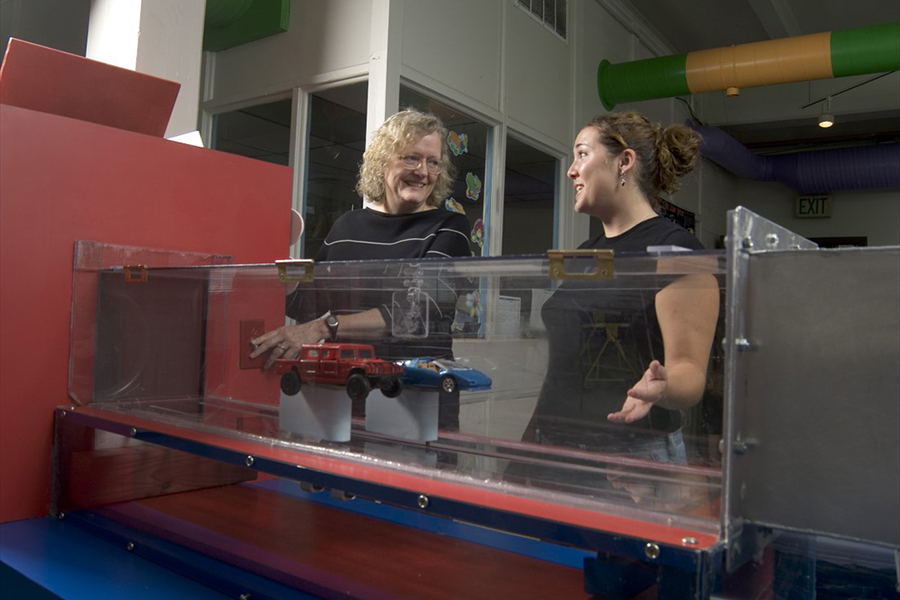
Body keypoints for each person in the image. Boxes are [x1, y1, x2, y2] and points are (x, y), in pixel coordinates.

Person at [248, 108, 472, 425]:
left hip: (417, 400)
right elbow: (306, 305)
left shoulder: (450, 227)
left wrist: (325, 327)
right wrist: (277, 261)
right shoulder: (346, 226)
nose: (423, 171)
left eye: (432, 162)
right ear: (383, 161)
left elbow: (419, 313)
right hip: (343, 398)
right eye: (411, 158)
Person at [522, 111, 720, 467]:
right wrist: (530, 438)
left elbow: (689, 371)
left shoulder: (676, 250)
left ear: (624, 162)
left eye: (582, 154)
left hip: (631, 454)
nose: (571, 171)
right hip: (556, 446)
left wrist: (662, 386)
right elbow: (565, 363)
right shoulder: (586, 253)